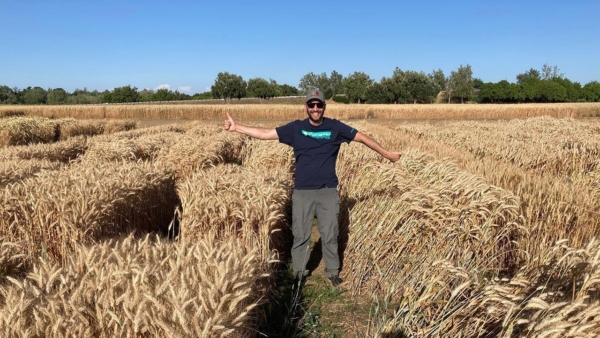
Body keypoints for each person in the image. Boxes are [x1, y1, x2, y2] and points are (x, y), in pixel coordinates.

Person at [223, 89, 402, 286]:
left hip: (327, 191)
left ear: (324, 106)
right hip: (302, 191)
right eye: (311, 105)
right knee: (300, 234)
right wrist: (236, 127)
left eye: (319, 105)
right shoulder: (295, 128)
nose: (315, 108)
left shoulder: (335, 127)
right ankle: (299, 272)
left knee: (330, 233)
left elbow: (363, 137)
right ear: (306, 107)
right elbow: (265, 134)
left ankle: (332, 271)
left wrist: (386, 154)